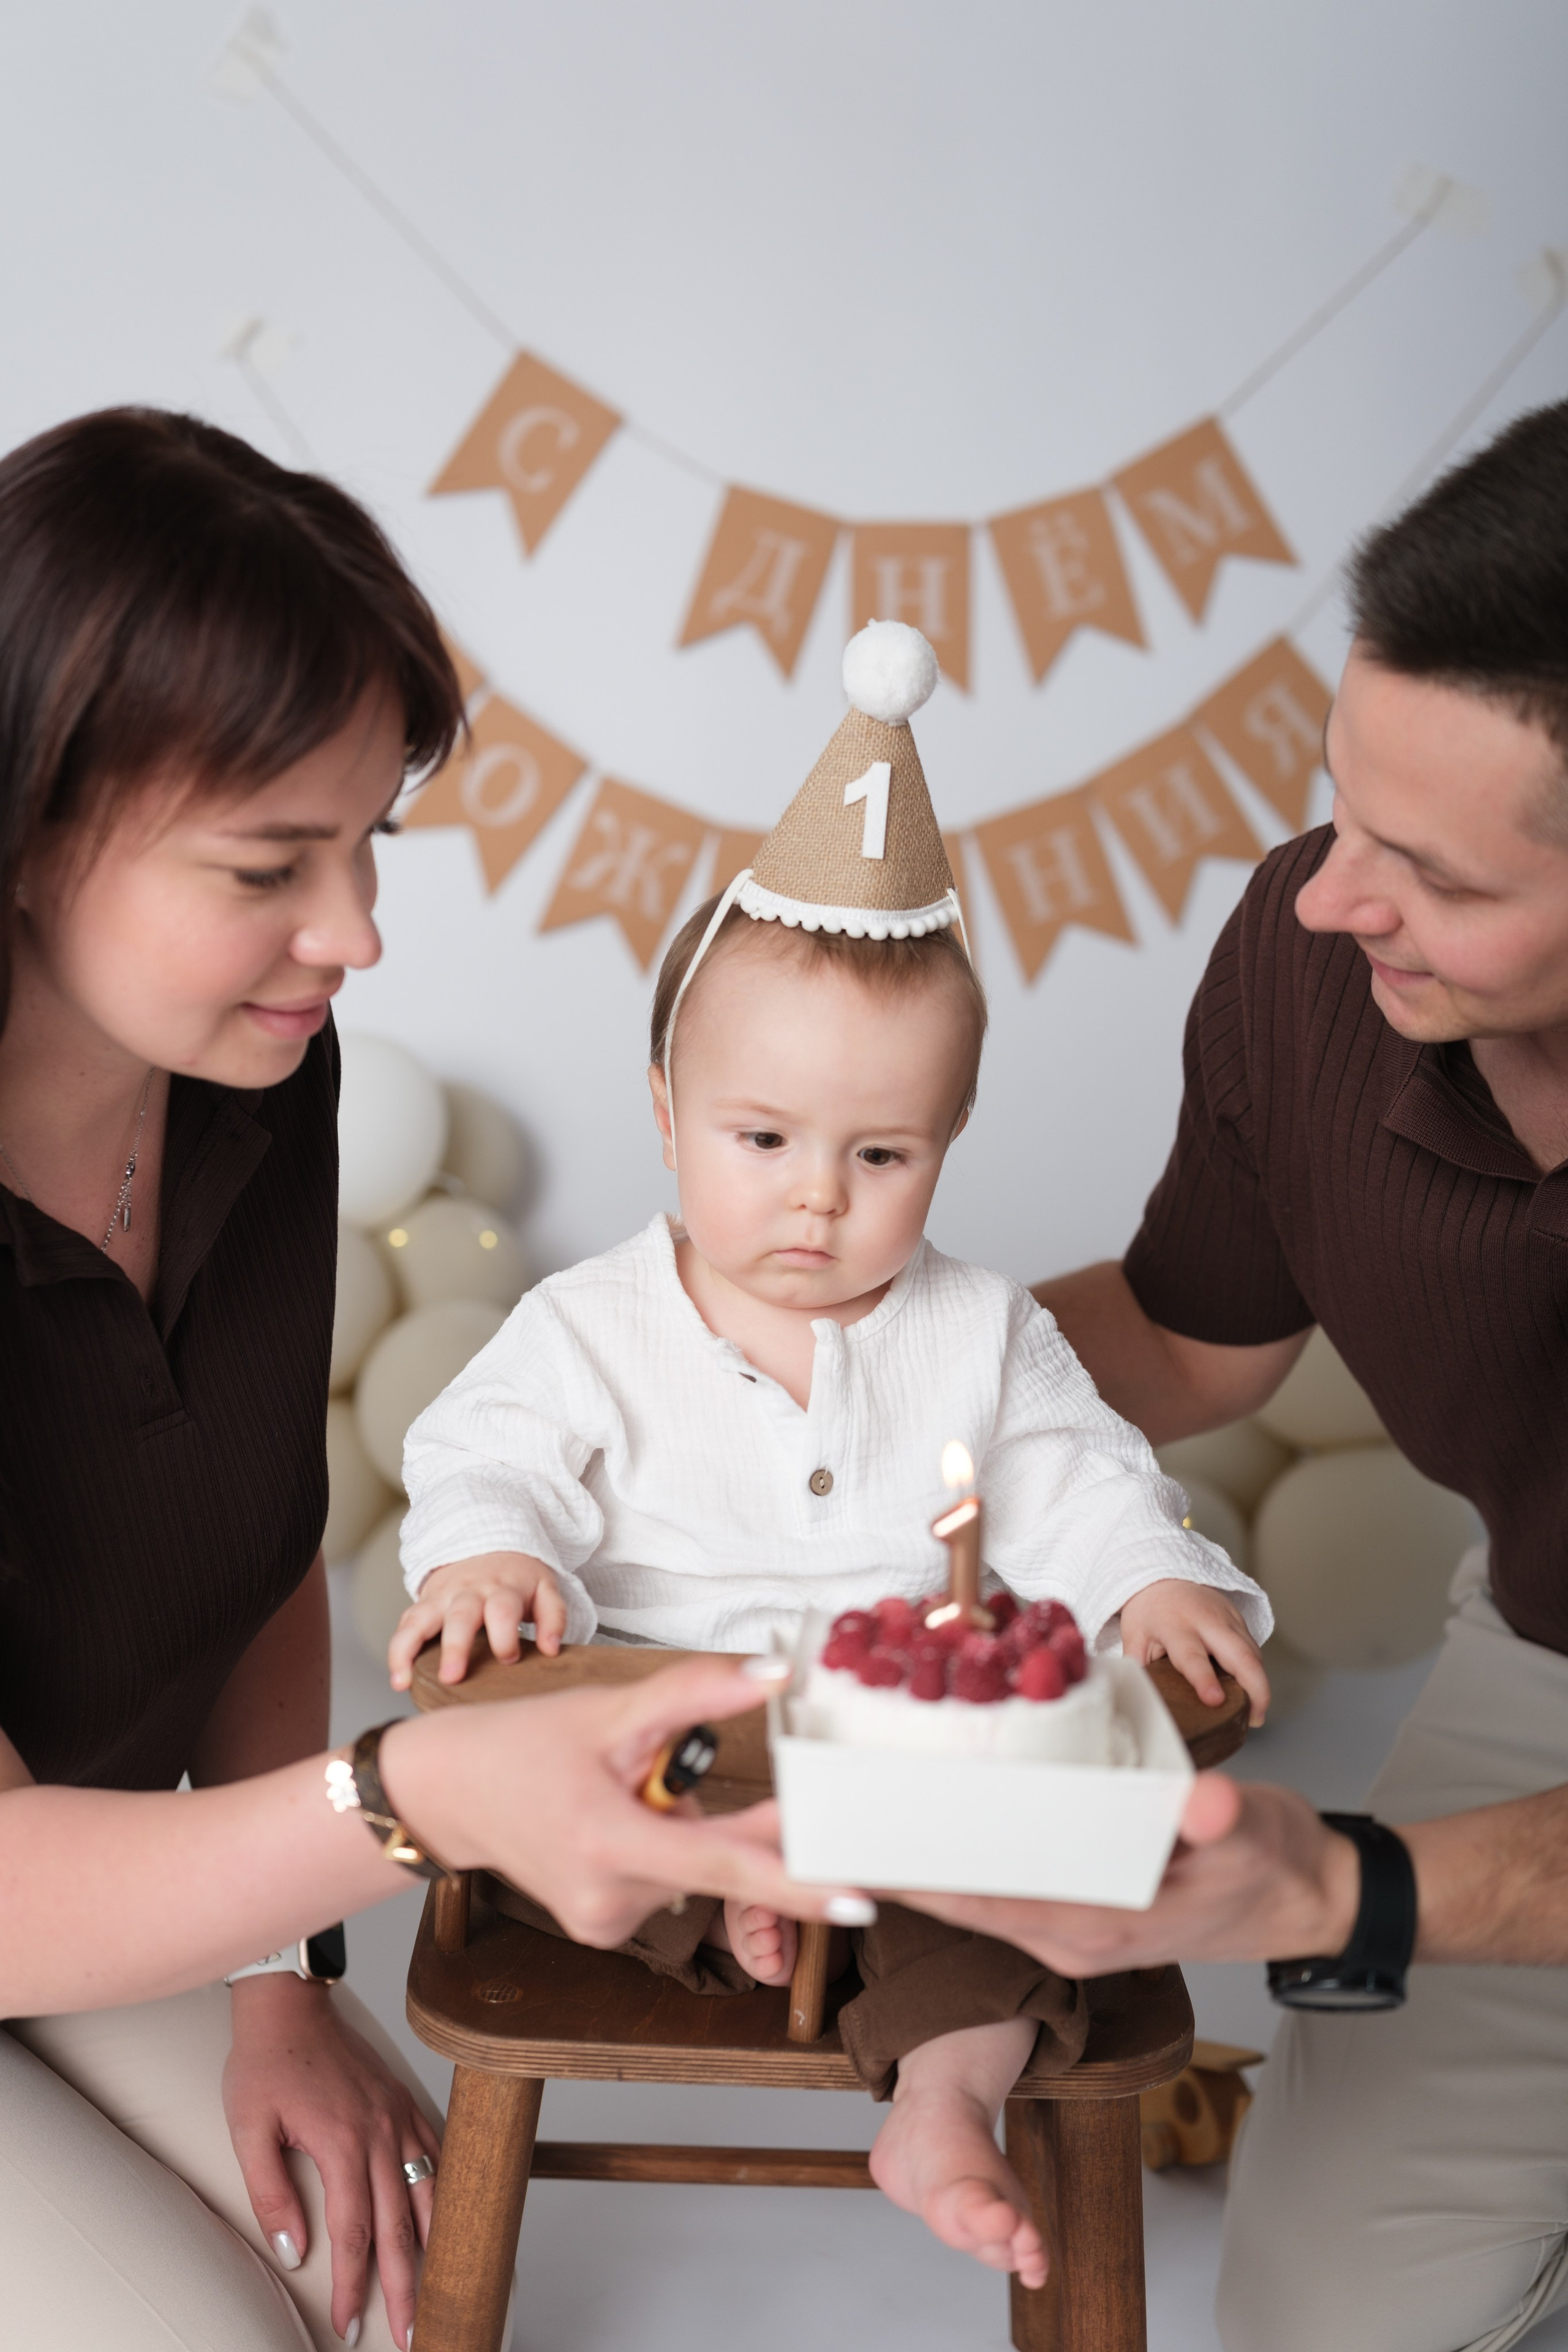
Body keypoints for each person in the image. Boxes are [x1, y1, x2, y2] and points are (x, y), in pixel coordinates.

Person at [0, 407, 867, 2352]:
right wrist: (414, 1798)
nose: (357, 934)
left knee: (376, 2292)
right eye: (267, 864)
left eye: (370, 839)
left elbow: (252, 1549)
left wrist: (284, 1981)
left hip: (82, 1848)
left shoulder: (246, 1084)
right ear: (30, 826)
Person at [386, 622, 1272, 2293]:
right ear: (666, 1111)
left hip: (905, 1770)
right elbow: (481, 1453)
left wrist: (1148, 1575)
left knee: (1015, 1906)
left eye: (882, 1153)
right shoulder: (592, 1327)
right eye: (764, 1140)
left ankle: (939, 2098)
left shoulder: (983, 1331)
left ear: (947, 1144)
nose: (817, 1197)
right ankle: (725, 1904)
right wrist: (493, 1553)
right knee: (573, 1808)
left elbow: (1079, 1474)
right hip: (674, 1751)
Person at [918, 398, 1568, 2352]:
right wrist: (853, 1384)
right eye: (1347, 808)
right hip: (1553, 1645)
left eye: (1434, 876)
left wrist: (1344, 1895)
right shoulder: (1317, 965)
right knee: (1323, 2328)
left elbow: (1351, 1895)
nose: (1329, 895)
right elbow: (1200, 1337)